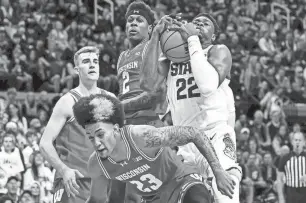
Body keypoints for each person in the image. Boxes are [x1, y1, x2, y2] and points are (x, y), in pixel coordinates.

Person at [140, 13, 241, 203]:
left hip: (215, 135)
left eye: (205, 24)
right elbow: (146, 83)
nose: (198, 25)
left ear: (213, 36)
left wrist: (193, 38)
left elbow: (207, 85)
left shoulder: (218, 51)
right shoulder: (173, 57)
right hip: (185, 141)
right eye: (195, 23)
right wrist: (155, 37)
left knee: (226, 195)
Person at [72, 93, 236, 203]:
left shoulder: (141, 137)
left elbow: (193, 133)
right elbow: (97, 199)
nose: (97, 143)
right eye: (91, 137)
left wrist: (218, 171)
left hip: (182, 184)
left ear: (115, 129)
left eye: (101, 134)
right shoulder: (97, 163)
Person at [39, 46, 114, 203]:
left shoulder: (112, 99)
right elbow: (45, 144)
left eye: (95, 61)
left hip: (104, 183)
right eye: (86, 62)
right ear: (76, 70)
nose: (92, 65)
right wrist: (63, 170)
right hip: (73, 183)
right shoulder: (67, 101)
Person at [115, 1, 166, 202]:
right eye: (130, 21)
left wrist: (119, 107)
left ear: (151, 28)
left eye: (139, 20)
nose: (133, 24)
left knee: (155, 193)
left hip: (148, 123)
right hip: (126, 129)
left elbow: (156, 95)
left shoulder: (153, 48)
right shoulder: (122, 56)